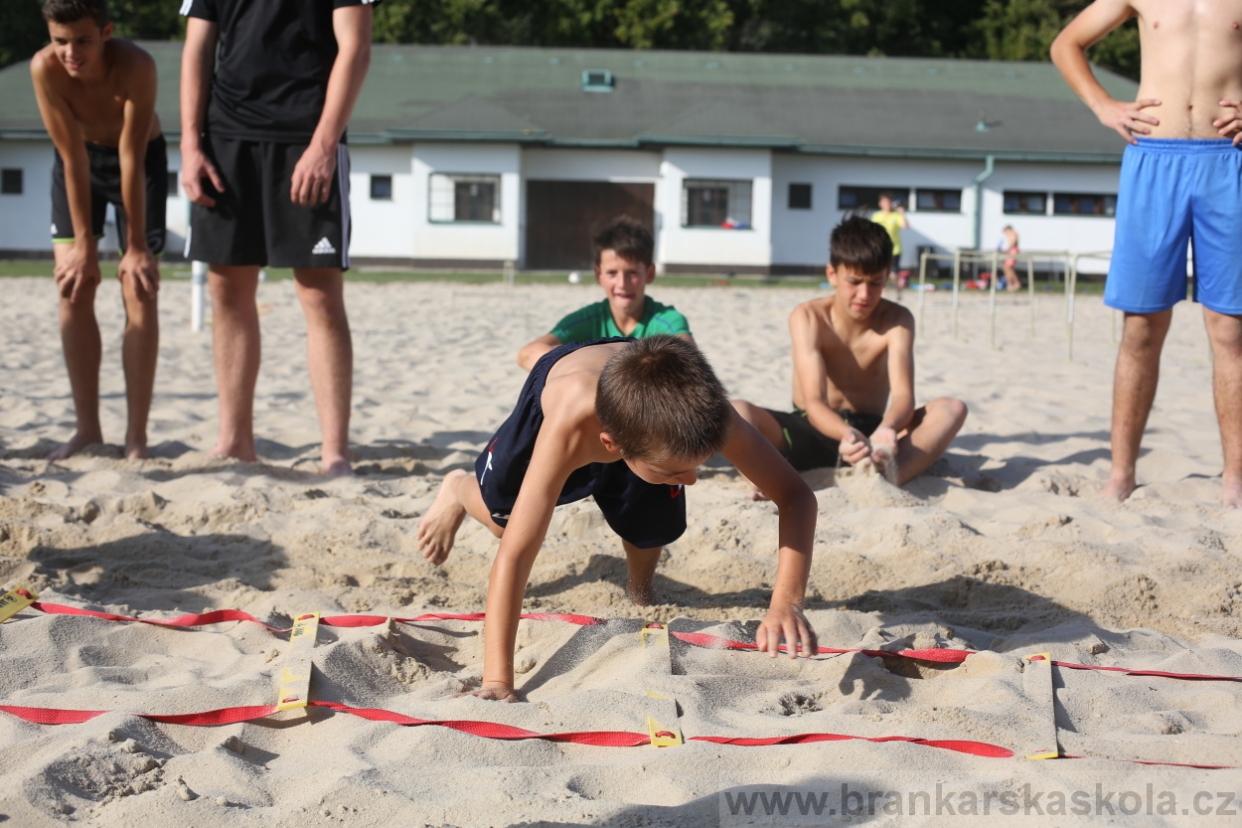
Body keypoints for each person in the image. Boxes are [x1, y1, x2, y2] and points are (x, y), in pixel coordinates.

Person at [417, 336, 819, 701]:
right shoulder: (568, 426)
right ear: (611, 445)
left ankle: (640, 591)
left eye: (698, 466)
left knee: (653, 528)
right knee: (504, 523)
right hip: (563, 393)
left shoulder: (706, 413)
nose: (693, 480)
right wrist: (498, 682)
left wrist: (787, 603)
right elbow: (516, 556)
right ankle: (457, 489)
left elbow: (796, 496)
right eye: (679, 472)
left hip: (639, 395)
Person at [1051, 1, 1242, 507]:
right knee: (1141, 327)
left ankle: (1234, 479)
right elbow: (1065, 43)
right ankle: (1120, 473)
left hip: (1231, 162)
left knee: (1231, 329)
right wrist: (1102, 104)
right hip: (1154, 160)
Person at [180, 0, 376, 476]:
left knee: (320, 296)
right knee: (226, 290)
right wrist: (189, 143)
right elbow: (197, 48)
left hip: (307, 136)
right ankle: (235, 439)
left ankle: (334, 452)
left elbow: (355, 46)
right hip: (225, 137)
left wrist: (324, 146)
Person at [732, 217, 968, 492]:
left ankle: (884, 481)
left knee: (952, 409)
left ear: (887, 276)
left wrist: (888, 430)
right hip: (812, 426)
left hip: (872, 434)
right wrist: (845, 434)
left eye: (876, 282)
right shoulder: (808, 316)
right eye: (854, 281)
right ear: (832, 274)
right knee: (736, 411)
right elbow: (814, 401)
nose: (865, 294)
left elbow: (904, 397)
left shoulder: (898, 319)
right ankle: (765, 479)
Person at [30, 0, 164, 461]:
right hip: (77, 165)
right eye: (60, 41)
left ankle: (136, 438)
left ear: (106, 32)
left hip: (138, 161)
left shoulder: (137, 66)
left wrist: (136, 247)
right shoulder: (44, 70)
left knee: (139, 288)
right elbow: (72, 160)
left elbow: (131, 157)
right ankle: (88, 429)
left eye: (83, 40)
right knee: (74, 285)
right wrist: (84, 246)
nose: (71, 53)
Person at [516, 216, 691, 371]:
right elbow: (527, 354)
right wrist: (585, 367)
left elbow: (690, 362)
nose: (622, 284)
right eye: (612, 273)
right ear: (599, 275)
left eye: (632, 273)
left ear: (650, 274)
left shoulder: (667, 320)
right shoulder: (590, 319)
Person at [869, 192, 908, 279]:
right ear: (880, 203)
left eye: (889, 202)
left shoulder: (896, 215)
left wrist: (902, 213)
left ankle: (898, 291)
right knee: (881, 272)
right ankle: (883, 292)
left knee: (893, 274)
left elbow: (905, 226)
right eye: (885, 202)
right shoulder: (876, 216)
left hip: (894, 249)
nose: (888, 205)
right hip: (880, 248)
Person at [1000, 225, 1022, 292]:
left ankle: (1014, 283)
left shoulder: (1013, 234)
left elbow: (1012, 244)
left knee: (1007, 267)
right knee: (1007, 268)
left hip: (1012, 252)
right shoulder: (1013, 234)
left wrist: (1006, 250)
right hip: (1012, 251)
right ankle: (1011, 283)